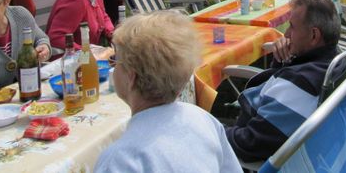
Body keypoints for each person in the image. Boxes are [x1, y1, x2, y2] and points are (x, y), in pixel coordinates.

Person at [94, 11, 242, 173]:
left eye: (116, 61)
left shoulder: (119, 161)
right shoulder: (204, 119)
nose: (114, 67)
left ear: (131, 77)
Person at [225, 0, 341, 162]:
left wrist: (215, 131)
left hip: (244, 150)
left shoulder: (300, 85)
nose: (286, 34)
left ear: (314, 36)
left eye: (292, 27)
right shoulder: (331, 61)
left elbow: (250, 143)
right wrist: (282, 60)